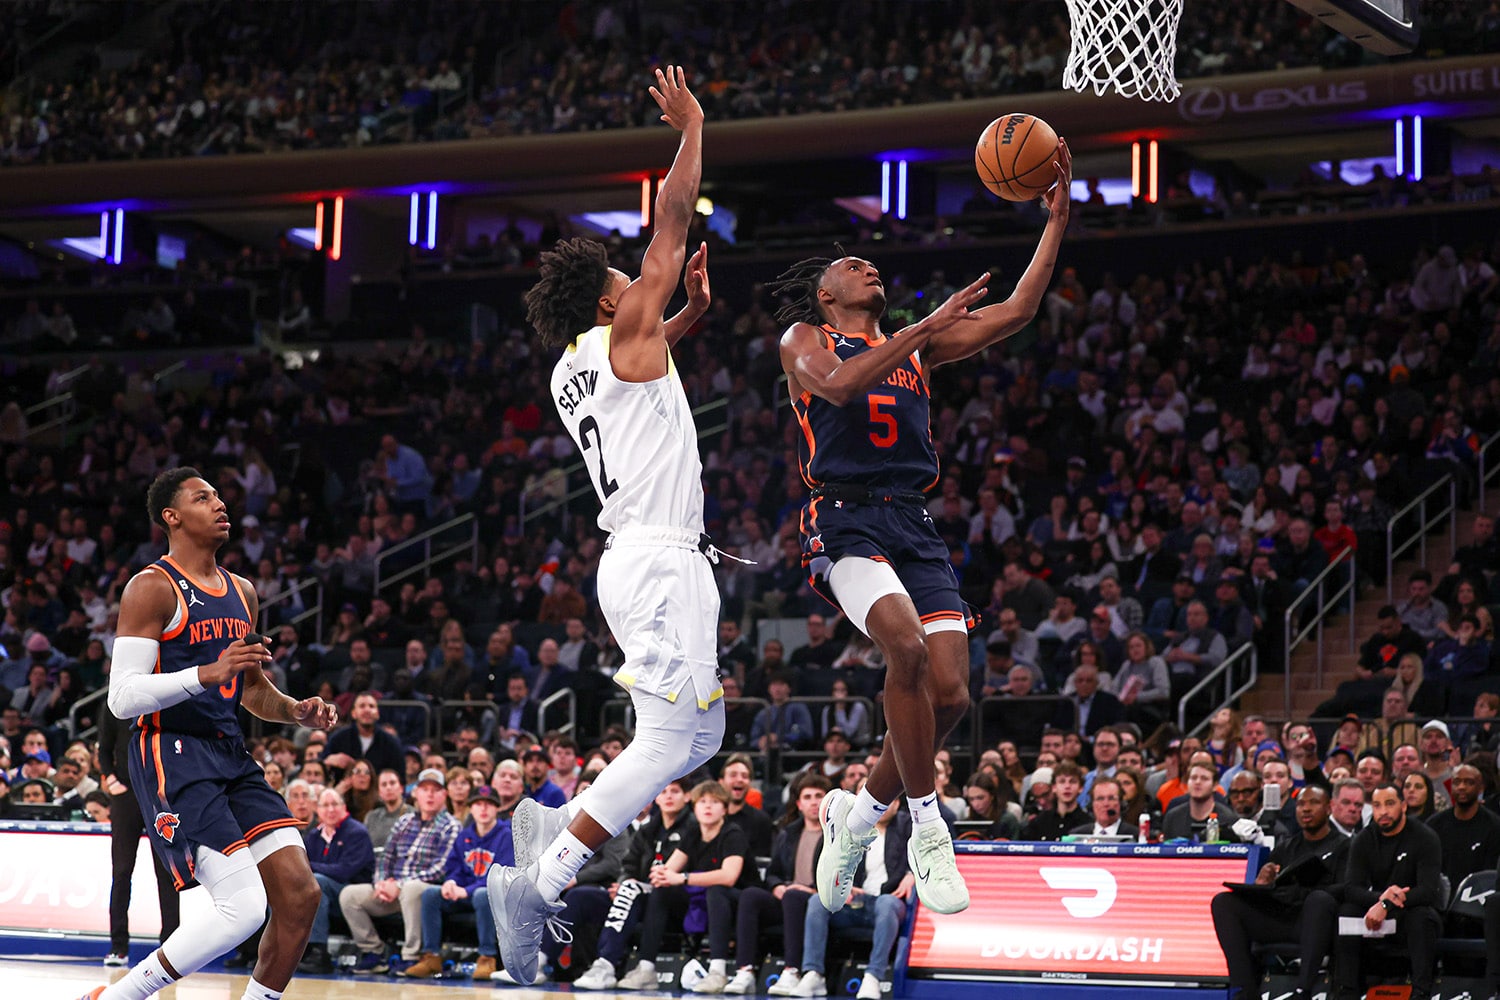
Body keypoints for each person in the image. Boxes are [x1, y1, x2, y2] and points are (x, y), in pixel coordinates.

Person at [769, 130, 1071, 920]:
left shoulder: (915, 348)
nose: (867, 265)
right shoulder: (805, 339)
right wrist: (919, 326)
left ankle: (858, 815)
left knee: (951, 695)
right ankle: (926, 829)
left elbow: (1020, 309)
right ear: (828, 295)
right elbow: (836, 390)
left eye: (870, 262)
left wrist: (1056, 218)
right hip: (844, 519)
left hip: (914, 521)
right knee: (901, 648)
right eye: (849, 265)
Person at [487, 67, 729, 987]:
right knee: (670, 743)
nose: (643, 282)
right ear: (605, 302)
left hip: (649, 557)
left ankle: (559, 830)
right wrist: (691, 130)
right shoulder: (623, 329)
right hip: (657, 561)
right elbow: (670, 223)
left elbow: (645, 367)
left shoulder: (572, 368)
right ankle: (541, 882)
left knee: (698, 739)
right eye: (628, 285)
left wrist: (690, 316)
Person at [79, 467, 337, 1000]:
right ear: (172, 517)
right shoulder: (151, 587)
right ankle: (119, 995)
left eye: (219, 496)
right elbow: (122, 697)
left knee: (299, 895)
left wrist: (296, 712)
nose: (220, 504)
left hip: (230, 753)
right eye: (203, 497)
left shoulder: (243, 591)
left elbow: (249, 688)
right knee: (242, 907)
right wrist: (206, 674)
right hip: (170, 754)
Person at [1299, 782, 1444, 1000]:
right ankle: (1346, 991)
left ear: (1403, 806)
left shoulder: (1425, 837)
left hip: (1412, 911)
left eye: (1389, 804)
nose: (1383, 812)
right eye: (1376, 805)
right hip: (1377, 912)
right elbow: (1351, 888)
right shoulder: (1364, 839)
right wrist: (1380, 899)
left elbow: (1427, 891)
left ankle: (1420, 992)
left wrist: (1387, 904)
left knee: (1421, 916)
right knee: (1347, 910)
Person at [1209, 785, 1349, 1000]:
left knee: (1319, 900)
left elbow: (1347, 888)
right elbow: (1269, 894)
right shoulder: (1286, 846)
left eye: (1314, 803)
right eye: (1301, 804)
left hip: (1317, 922)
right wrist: (1262, 883)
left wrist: (1306, 888)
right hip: (1283, 918)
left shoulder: (1344, 846)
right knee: (1223, 902)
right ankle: (1244, 990)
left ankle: (1303, 991)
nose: (1306, 809)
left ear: (1329, 808)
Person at [617, 780, 752, 991]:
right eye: (703, 802)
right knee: (661, 891)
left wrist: (683, 877)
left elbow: (728, 876)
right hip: (700, 899)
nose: (708, 806)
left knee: (716, 891)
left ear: (724, 809)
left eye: (715, 802)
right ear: (695, 807)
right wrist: (661, 873)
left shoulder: (732, 833)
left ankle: (718, 971)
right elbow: (669, 870)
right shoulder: (694, 832)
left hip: (738, 901)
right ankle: (646, 969)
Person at [573, 779, 698, 991]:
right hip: (640, 897)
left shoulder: (693, 827)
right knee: (580, 896)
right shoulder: (649, 829)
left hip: (679, 898)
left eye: (675, 791)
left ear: (687, 796)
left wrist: (630, 886)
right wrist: (623, 883)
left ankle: (606, 964)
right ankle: (541, 960)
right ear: (656, 797)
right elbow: (628, 865)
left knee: (639, 890)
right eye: (664, 791)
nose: (668, 796)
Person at [339, 767, 461, 974]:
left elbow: (441, 869)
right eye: (425, 789)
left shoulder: (451, 825)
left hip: (424, 891)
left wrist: (399, 885)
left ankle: (411, 956)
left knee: (412, 888)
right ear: (416, 793)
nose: (429, 795)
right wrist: (381, 882)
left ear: (444, 795)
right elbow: (386, 857)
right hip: (392, 891)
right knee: (349, 895)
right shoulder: (404, 822)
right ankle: (374, 951)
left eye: (435, 790)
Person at [98, 682, 181, 967]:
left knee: (168, 873)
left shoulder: (165, 698)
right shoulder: (115, 703)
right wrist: (110, 779)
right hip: (125, 797)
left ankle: (171, 948)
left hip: (158, 795)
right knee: (121, 871)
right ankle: (118, 947)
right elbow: (104, 747)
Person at [798, 799, 915, 1000]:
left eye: (890, 799)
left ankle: (873, 976)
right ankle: (813, 973)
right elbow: (831, 864)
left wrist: (911, 873)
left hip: (889, 901)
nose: (884, 805)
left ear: (897, 803)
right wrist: (842, 884)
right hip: (855, 901)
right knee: (818, 901)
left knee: (886, 904)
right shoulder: (851, 827)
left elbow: (927, 852)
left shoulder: (907, 825)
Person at [724, 774, 829, 995]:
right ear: (799, 804)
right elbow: (773, 873)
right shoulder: (788, 833)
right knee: (751, 895)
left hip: (820, 900)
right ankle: (745, 971)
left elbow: (841, 875)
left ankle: (792, 971)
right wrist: (776, 886)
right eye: (807, 797)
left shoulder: (837, 835)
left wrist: (811, 889)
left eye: (819, 796)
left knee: (793, 896)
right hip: (789, 897)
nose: (814, 802)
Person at [403, 784, 513, 981]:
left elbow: (500, 876)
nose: (484, 809)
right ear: (471, 808)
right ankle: (431, 956)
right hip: (464, 893)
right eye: (478, 804)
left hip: (495, 897)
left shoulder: (507, 835)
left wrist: (467, 891)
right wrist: (451, 883)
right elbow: (454, 868)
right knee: (430, 894)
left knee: (482, 894)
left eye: (489, 804)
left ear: (497, 808)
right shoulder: (465, 836)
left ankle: (487, 957)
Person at [296, 788, 375, 975]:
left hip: (353, 892)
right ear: (318, 809)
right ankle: (282, 948)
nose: (330, 809)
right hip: (326, 894)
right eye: (325, 805)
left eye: (335, 804)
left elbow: (344, 871)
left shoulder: (357, 832)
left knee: (318, 882)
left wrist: (310, 866)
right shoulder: (314, 836)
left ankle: (319, 953)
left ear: (344, 807)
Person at [1070, 775, 1137, 838]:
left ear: (1121, 803)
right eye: (1100, 799)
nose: (1105, 804)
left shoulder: (1135, 835)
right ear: (1091, 805)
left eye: (1111, 798)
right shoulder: (1077, 835)